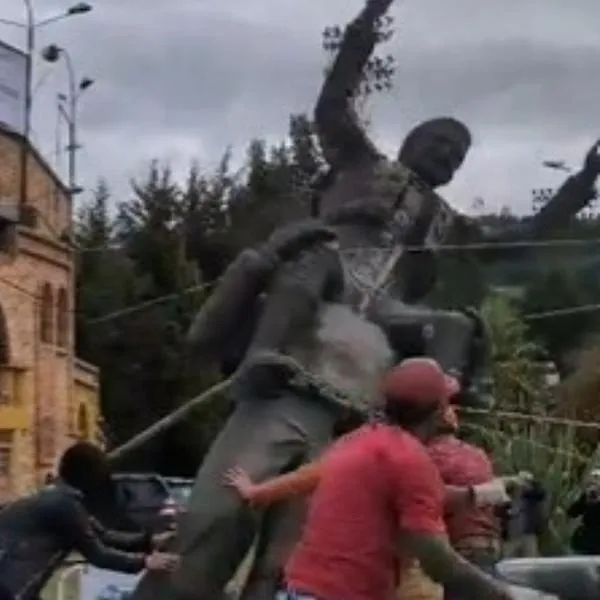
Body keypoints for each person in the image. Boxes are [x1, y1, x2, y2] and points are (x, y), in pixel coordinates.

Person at [226, 358, 513, 600]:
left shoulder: (356, 441)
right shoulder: (411, 459)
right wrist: (505, 595)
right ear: (439, 412)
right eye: (448, 402)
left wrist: (493, 491)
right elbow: (433, 555)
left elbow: (435, 496)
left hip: (300, 590)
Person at [0, 442, 179, 600]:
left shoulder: (58, 497)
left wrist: (149, 542)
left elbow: (103, 535)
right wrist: (145, 562)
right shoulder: (62, 505)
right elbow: (98, 554)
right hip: (10, 583)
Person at [502, 473, 546, 558]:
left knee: (530, 560)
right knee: (508, 561)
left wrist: (530, 487)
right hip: (511, 536)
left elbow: (541, 493)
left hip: (528, 534)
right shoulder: (508, 496)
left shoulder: (531, 497)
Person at [567, 469, 600, 555]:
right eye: (593, 481)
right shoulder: (587, 496)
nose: (595, 484)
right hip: (585, 542)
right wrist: (586, 500)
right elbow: (572, 513)